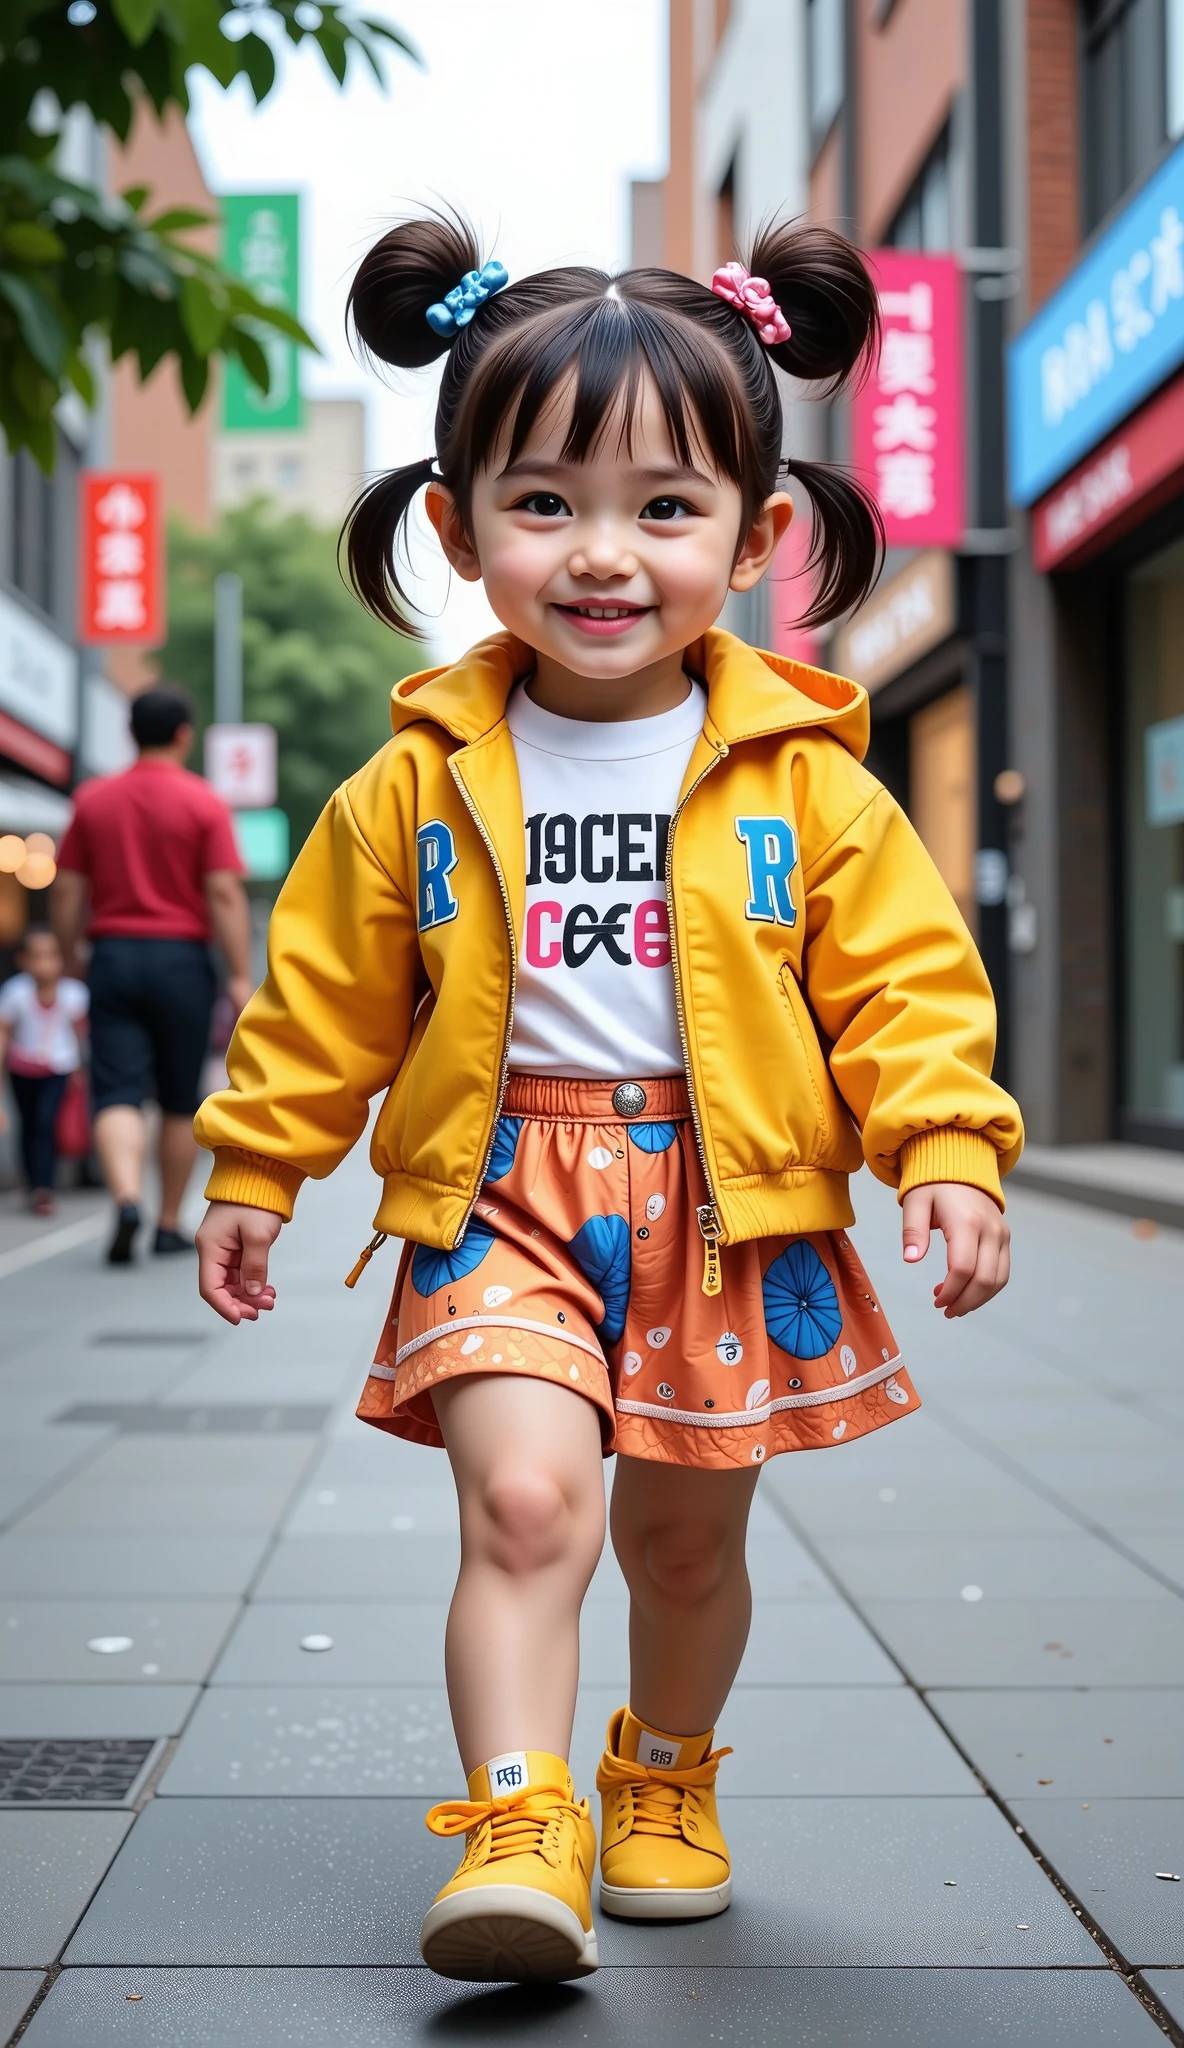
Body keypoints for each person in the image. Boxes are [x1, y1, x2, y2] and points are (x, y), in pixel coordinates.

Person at [194, 216, 1023, 1985]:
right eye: (544, 501)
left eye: (662, 507)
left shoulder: (806, 776)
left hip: (723, 1196)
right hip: (498, 1185)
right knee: (526, 1507)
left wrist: (941, 1145)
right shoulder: (409, 779)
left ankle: (661, 1770)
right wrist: (260, 1166)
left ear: (754, 532)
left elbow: (899, 983)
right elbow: (328, 995)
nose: (600, 554)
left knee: (672, 1537)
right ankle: (516, 1816)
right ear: (453, 524)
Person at [53, 685, 252, 1265]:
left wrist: (71, 956)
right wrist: (239, 972)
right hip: (182, 961)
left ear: (130, 733)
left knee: (114, 1088)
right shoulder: (203, 802)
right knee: (175, 1096)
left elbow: (67, 889)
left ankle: (126, 1199)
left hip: (112, 956)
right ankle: (168, 1221)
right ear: (184, 735)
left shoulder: (93, 800)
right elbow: (222, 891)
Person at [0, 927, 89, 1216]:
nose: (44, 963)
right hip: (21, 1069)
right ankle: (31, 1181)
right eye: (37, 956)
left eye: (51, 955)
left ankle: (43, 1188)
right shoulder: (14, 993)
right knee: (27, 1125)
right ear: (23, 960)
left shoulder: (73, 993)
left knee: (44, 1123)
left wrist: (79, 1069)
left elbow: (79, 1035)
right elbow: (4, 1035)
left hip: (57, 1068)